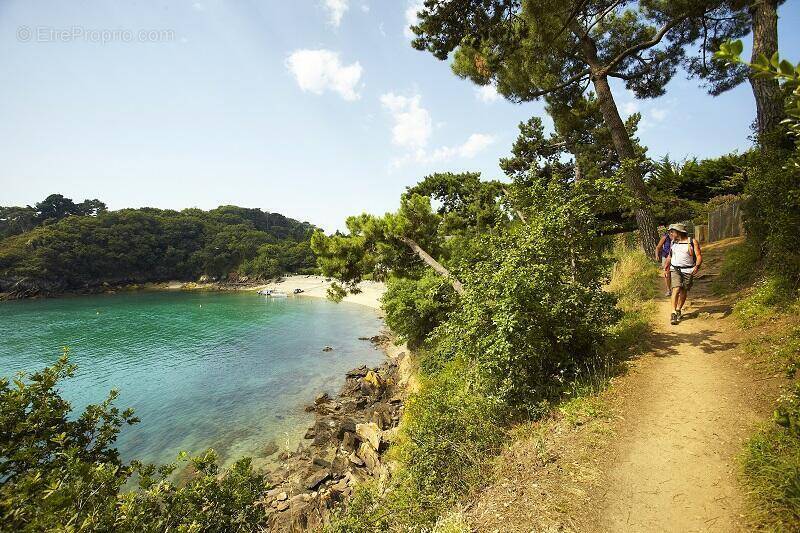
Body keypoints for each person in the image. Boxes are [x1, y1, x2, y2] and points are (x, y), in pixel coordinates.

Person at [664, 223, 702, 325]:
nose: (670, 233)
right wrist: (666, 266)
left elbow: (698, 256)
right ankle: (673, 313)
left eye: (672, 231)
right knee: (675, 289)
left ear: (679, 232)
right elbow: (670, 256)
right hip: (675, 269)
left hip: (688, 270)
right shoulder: (673, 242)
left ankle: (678, 309)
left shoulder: (692, 242)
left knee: (684, 290)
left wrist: (697, 266)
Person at [655, 231, 672, 297]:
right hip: (665, 257)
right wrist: (657, 255)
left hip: (675, 257)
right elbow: (658, 247)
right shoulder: (665, 237)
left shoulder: (678, 237)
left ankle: (677, 288)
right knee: (667, 274)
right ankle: (668, 289)